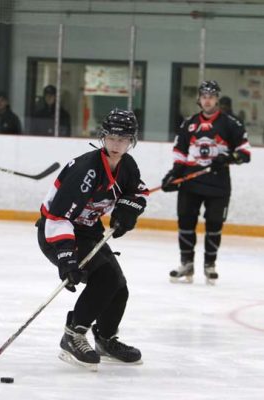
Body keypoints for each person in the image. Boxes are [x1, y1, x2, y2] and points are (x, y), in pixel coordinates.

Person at [36, 109, 148, 369]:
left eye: (123, 139)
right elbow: (57, 217)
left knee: (119, 287)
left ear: (132, 140)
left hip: (88, 230)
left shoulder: (127, 166)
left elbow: (138, 191)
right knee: (105, 280)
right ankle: (73, 335)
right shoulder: (87, 170)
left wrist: (129, 209)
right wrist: (67, 258)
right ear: (103, 137)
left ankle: (106, 339)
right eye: (112, 138)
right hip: (58, 232)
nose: (117, 144)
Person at [162, 81, 251, 285]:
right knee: (185, 222)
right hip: (190, 184)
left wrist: (227, 158)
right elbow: (180, 153)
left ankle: (210, 265)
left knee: (214, 225)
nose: (207, 99)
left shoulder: (230, 123)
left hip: (218, 185)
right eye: (204, 96)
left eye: (211, 96)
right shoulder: (189, 124)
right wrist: (173, 175)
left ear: (217, 99)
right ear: (199, 99)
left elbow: (245, 153)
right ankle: (187, 264)